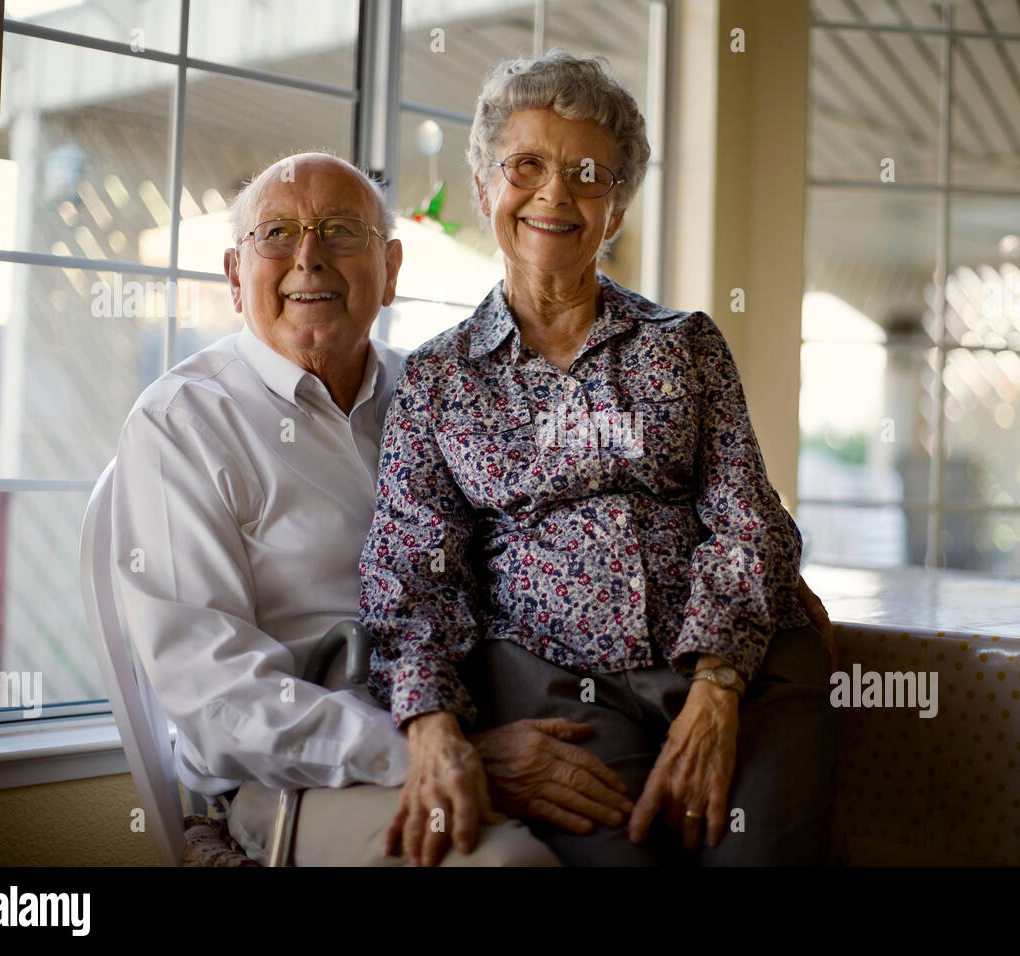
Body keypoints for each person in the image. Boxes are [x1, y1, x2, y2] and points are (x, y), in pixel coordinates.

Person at [359, 51, 838, 867]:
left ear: (615, 209)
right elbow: (412, 569)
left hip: (738, 669)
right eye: (526, 166)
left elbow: (750, 521)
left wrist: (718, 688)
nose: (555, 193)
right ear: (484, 189)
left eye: (588, 175)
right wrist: (434, 727)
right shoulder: (437, 380)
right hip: (554, 684)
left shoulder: (683, 345)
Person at [111, 150, 639, 866]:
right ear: (236, 277)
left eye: (339, 231)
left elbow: (575, 512)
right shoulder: (181, 424)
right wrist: (432, 753)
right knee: (511, 867)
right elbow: (218, 703)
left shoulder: (440, 389)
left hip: (498, 705)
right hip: (295, 780)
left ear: (391, 270)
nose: (309, 257)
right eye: (275, 234)